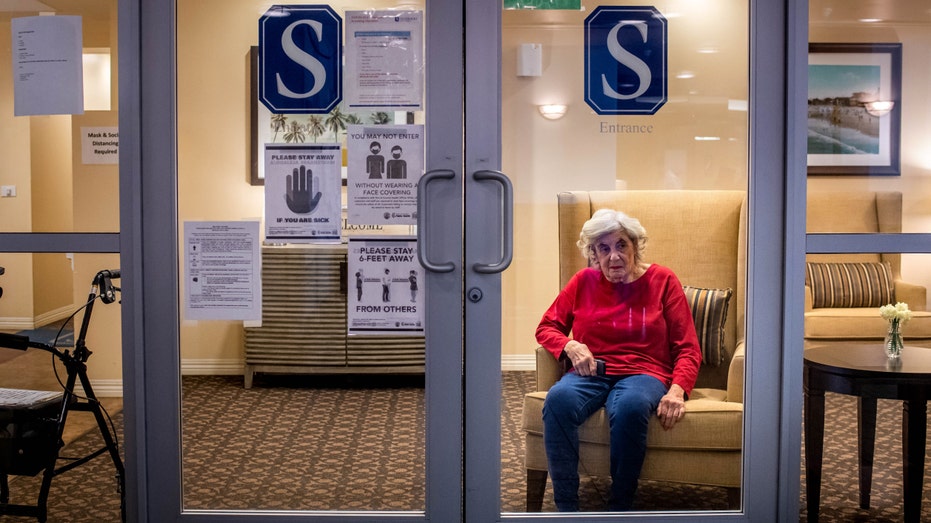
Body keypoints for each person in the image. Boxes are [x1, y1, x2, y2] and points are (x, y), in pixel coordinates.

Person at [535, 208, 702, 512]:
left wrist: (677, 390)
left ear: (635, 246)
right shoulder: (583, 281)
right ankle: (566, 510)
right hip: (591, 371)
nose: (613, 256)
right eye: (604, 248)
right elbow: (546, 327)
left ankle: (620, 509)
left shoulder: (663, 280)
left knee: (629, 406)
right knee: (557, 399)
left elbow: (688, 347)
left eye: (621, 245)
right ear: (593, 254)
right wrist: (570, 345)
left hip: (645, 372)